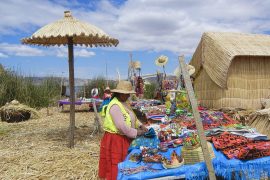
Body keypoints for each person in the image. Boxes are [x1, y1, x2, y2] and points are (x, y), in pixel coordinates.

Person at [98, 81, 148, 180]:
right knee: (117, 163)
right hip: (116, 139)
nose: (129, 95)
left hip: (124, 137)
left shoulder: (124, 103)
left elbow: (133, 117)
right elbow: (121, 126)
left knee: (125, 162)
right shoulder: (115, 106)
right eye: (127, 94)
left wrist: (141, 125)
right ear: (121, 94)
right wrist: (137, 132)